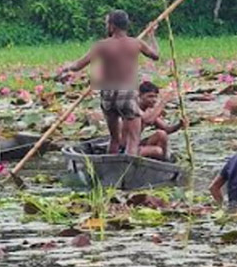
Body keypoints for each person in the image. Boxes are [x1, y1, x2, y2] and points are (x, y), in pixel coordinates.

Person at [61, 10, 159, 155]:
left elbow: (78, 65)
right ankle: (127, 170)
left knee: (114, 139)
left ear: (112, 26)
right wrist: (152, 36)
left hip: (107, 92)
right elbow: (156, 55)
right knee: (133, 139)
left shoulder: (102, 45)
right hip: (126, 92)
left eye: (107, 23)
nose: (106, 26)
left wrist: (67, 68)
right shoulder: (136, 44)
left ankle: (109, 170)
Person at [137, 81, 187, 160]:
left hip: (137, 145)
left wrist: (179, 125)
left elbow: (166, 129)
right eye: (150, 96)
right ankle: (161, 157)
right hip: (127, 149)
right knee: (158, 151)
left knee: (161, 134)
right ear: (140, 95)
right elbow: (148, 120)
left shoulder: (149, 111)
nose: (154, 100)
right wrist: (163, 102)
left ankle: (164, 161)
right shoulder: (134, 108)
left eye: (155, 97)